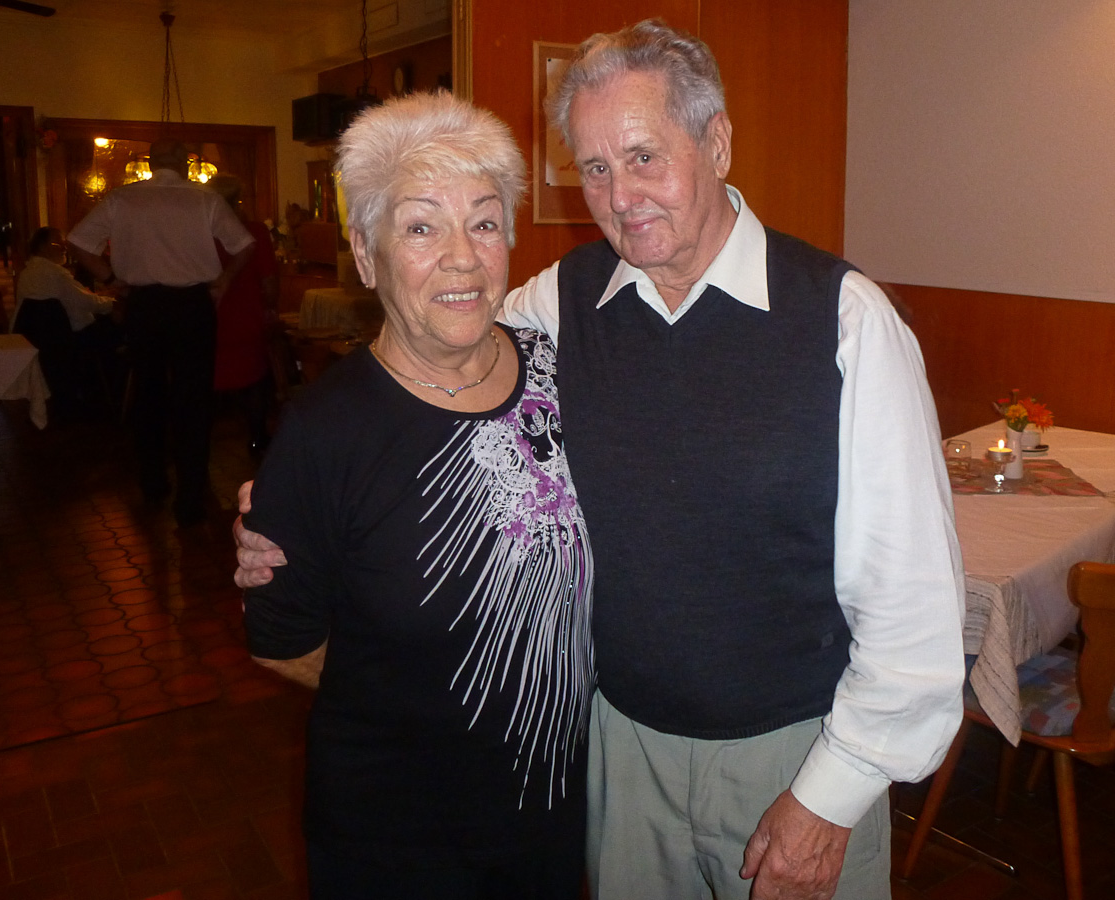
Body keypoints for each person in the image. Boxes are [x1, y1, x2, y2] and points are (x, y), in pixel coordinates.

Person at [235, 20, 966, 900]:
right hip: (619, 760)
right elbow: (439, 350)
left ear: (718, 142)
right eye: (595, 169)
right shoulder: (563, 305)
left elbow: (913, 609)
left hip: (796, 758)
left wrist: (832, 796)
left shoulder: (844, 322)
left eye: (644, 156)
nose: (622, 197)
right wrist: (294, 506)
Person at [241, 91, 594, 899]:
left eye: (483, 222)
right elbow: (281, 638)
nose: (462, 257)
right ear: (367, 257)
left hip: (549, 807)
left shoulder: (558, 369)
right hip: (399, 832)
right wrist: (422, 704)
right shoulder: (326, 432)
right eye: (421, 228)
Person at [68, 139, 255, 526]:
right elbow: (244, 245)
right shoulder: (204, 199)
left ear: (151, 163)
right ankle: (190, 497)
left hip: (145, 305)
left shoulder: (122, 199)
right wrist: (224, 281)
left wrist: (111, 279)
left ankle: (152, 482)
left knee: (148, 394)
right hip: (192, 306)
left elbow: (79, 242)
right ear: (186, 164)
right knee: (194, 400)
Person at [13, 226, 121, 420]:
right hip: (67, 339)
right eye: (58, 243)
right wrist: (114, 303)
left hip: (42, 340)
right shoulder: (54, 272)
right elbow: (84, 302)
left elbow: (75, 299)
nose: (64, 248)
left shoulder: (29, 272)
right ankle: (111, 395)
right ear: (42, 246)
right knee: (116, 332)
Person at [207, 174, 279, 457]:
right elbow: (269, 281)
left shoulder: (202, 235)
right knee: (254, 380)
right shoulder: (254, 232)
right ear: (237, 201)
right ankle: (257, 439)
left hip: (210, 316)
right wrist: (270, 307)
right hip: (246, 314)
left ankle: (202, 445)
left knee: (208, 380)